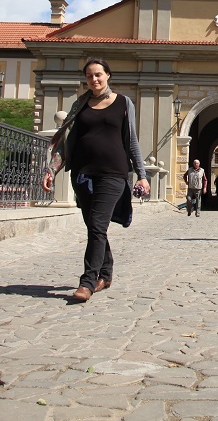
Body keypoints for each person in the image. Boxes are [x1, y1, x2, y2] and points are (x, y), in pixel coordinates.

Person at [42, 58, 149, 303]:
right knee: (95, 227)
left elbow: (131, 140)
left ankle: (88, 281)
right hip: (82, 174)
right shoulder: (80, 104)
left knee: (98, 226)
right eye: (89, 76)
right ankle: (106, 272)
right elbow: (66, 139)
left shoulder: (123, 103)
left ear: (108, 75)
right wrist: (52, 169)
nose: (94, 80)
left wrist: (142, 175)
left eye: (98, 74)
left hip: (113, 174)